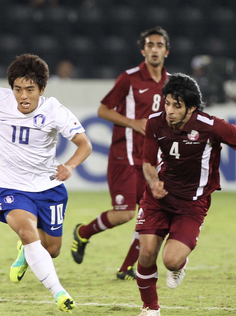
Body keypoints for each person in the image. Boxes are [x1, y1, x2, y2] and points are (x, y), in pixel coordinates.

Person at [0, 54, 92, 312]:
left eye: (30, 90)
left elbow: (85, 144)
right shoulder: (2, 99)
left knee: (53, 249)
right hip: (10, 184)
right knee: (27, 232)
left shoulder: (54, 111)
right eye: (17, 89)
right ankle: (59, 293)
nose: (23, 96)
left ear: (42, 89)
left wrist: (69, 166)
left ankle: (26, 251)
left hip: (48, 187)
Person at [133, 73, 236, 316]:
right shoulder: (155, 123)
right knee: (146, 253)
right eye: (167, 103)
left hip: (192, 204)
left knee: (171, 261)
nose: (169, 111)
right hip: (158, 199)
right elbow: (147, 163)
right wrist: (153, 183)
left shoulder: (210, 125)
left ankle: (179, 266)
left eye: (177, 105)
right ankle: (150, 309)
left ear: (191, 107)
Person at [70, 27, 170, 281]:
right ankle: (83, 232)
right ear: (143, 50)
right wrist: (133, 122)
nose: (155, 49)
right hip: (124, 157)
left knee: (152, 214)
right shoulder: (130, 77)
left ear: (166, 51)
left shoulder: (171, 84)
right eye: (150, 45)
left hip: (150, 159)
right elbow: (103, 110)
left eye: (159, 45)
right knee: (125, 213)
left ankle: (127, 267)